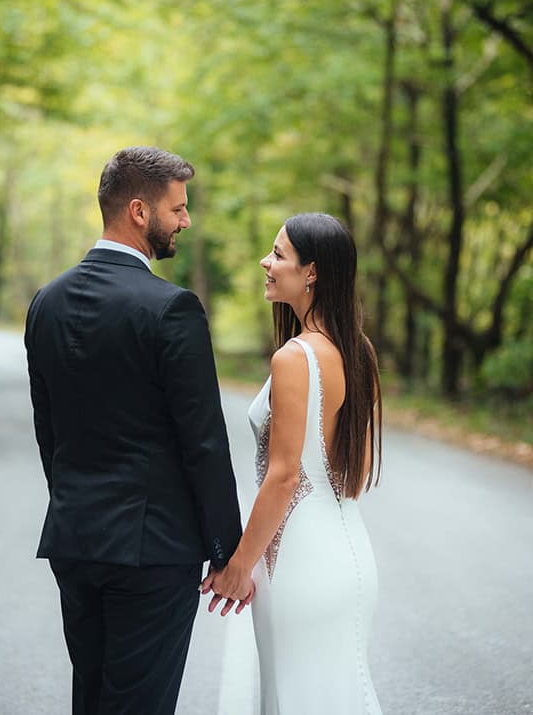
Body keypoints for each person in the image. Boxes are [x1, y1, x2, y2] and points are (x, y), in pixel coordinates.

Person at [25, 146, 247, 715]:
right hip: (153, 552)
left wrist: (75, 503)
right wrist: (226, 549)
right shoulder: (172, 308)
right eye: (179, 208)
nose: (186, 221)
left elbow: (48, 429)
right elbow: (203, 441)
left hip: (75, 540)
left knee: (92, 699)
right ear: (140, 212)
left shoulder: (45, 303)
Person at [202, 212, 383, 714]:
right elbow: (355, 474)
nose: (266, 261)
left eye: (278, 254)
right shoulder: (358, 351)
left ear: (312, 273)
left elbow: (284, 476)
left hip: (300, 568)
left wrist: (239, 567)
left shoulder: (295, 358)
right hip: (351, 561)